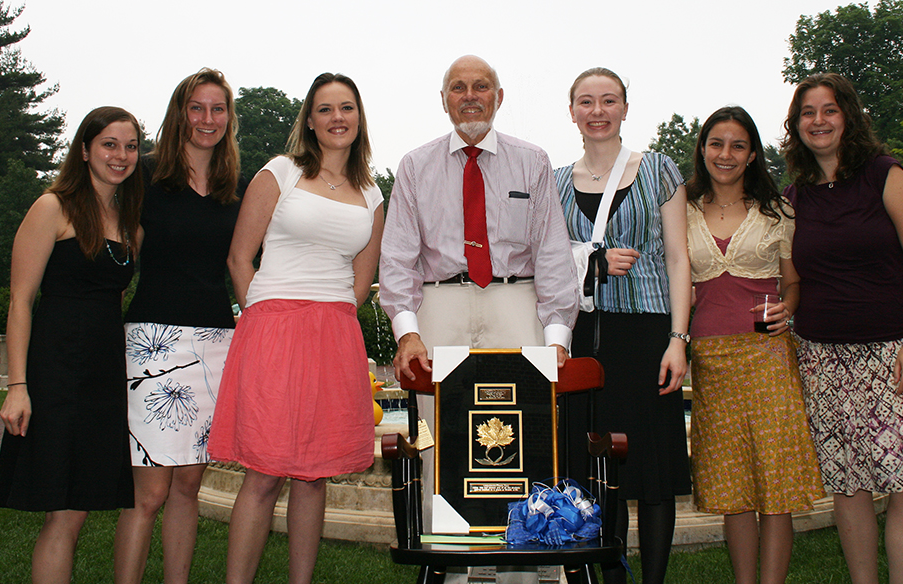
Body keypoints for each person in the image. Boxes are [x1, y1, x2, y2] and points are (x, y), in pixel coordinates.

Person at [378, 54, 578, 584]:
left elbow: (553, 253)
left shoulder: (531, 161)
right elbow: (397, 257)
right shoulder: (415, 166)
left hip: (515, 300)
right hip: (438, 306)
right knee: (435, 441)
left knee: (530, 435)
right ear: (443, 99)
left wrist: (557, 337)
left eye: (481, 86)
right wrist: (407, 332)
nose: (470, 96)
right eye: (458, 87)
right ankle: (449, 568)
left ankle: (531, 569)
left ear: (499, 96)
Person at [783, 72, 903, 584]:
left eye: (829, 110)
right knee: (848, 483)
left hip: (895, 351)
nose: (818, 121)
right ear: (796, 126)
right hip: (823, 358)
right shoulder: (794, 197)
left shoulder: (885, 174)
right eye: (808, 113)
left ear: (849, 117)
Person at [208, 72, 383, 584]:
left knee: (315, 475)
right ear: (310, 119)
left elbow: (362, 279)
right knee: (264, 473)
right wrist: (265, 319)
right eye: (325, 109)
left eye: (346, 108)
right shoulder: (280, 172)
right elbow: (241, 258)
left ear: (358, 117)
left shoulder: (372, 194)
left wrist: (330, 322)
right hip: (273, 328)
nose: (336, 118)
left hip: (333, 332)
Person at [0, 106, 143, 583]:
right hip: (57, 372)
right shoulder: (52, 207)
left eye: (131, 146)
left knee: (78, 509)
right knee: (61, 512)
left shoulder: (127, 219)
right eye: (109, 144)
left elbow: (112, 299)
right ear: (84, 150)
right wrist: (18, 386)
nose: (121, 155)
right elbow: (20, 301)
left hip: (103, 376)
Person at [554, 67, 691, 584]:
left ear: (625, 109)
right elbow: (543, 263)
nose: (597, 111)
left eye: (608, 100)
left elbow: (679, 259)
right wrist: (589, 260)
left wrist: (678, 340)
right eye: (586, 102)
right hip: (586, 337)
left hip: (647, 332)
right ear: (572, 112)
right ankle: (607, 577)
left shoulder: (657, 170)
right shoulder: (555, 183)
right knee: (595, 469)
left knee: (652, 469)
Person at [685, 106, 824, 584]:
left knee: (775, 481)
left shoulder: (777, 210)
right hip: (710, 360)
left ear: (752, 155)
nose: (726, 154)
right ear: (703, 150)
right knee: (732, 485)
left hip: (767, 358)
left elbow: (793, 282)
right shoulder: (680, 208)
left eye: (737, 145)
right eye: (716, 144)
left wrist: (790, 305)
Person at [113, 68, 242, 584]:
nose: (207, 119)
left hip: (215, 344)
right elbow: (120, 252)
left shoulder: (239, 186)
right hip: (152, 343)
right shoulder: (144, 175)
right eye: (196, 108)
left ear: (228, 118)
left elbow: (246, 262)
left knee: (188, 485)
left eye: (217, 109)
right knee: (149, 494)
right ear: (179, 113)